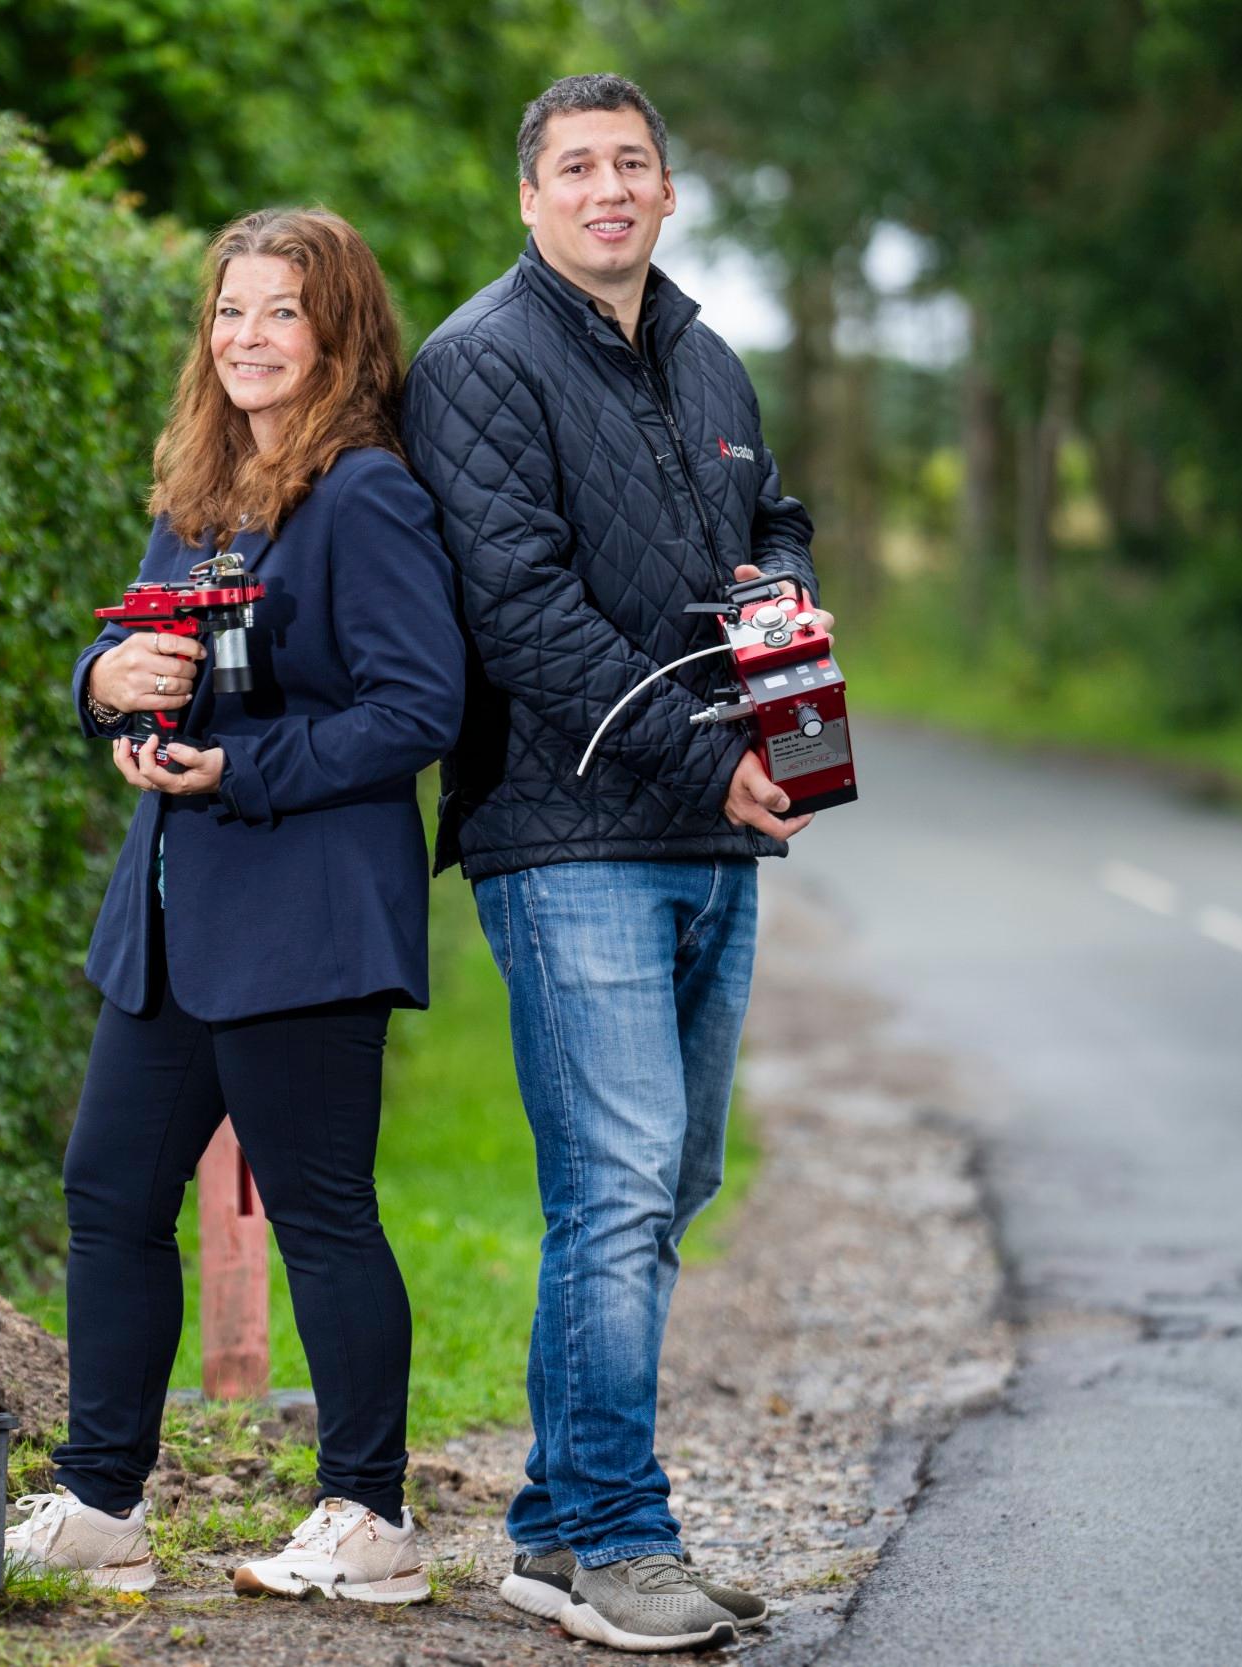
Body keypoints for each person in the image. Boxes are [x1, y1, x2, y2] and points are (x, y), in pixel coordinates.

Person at [399, 74, 832, 1653]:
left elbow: (771, 515)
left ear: (667, 192)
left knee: (669, 1180)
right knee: (621, 1182)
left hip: (713, 833)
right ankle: (620, 1541)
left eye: (630, 165)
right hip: (564, 829)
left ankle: (555, 1532)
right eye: (574, 168)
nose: (605, 190)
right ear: (529, 200)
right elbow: (522, 619)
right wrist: (710, 755)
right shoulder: (478, 365)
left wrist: (783, 606)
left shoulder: (710, 352)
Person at [5, 208, 465, 1603]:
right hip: (171, 917)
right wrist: (107, 697)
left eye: (281, 312)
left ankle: (369, 1517)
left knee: (321, 1211)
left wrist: (241, 764)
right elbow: (137, 648)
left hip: (307, 917)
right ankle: (100, 1506)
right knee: (109, 1196)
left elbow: (419, 706)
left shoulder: (367, 494)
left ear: (337, 333)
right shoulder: (200, 489)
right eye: (230, 311)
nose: (248, 338)